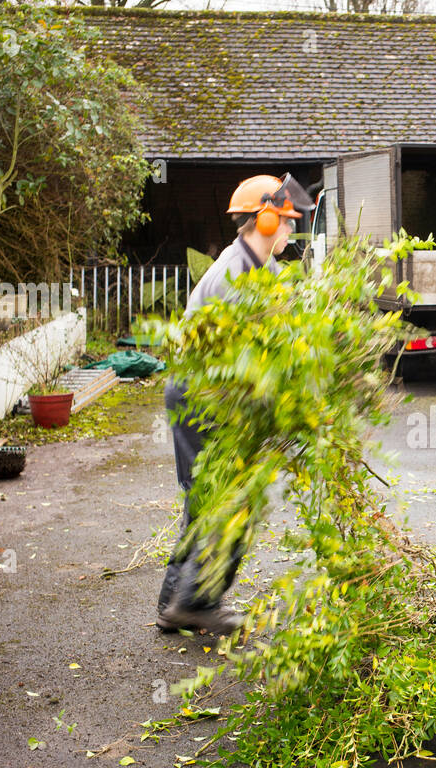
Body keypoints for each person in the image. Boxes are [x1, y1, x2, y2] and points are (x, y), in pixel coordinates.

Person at [156, 173, 315, 634]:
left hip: (218, 394)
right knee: (227, 501)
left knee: (206, 501)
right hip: (201, 396)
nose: (289, 229)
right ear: (264, 220)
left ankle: (175, 603)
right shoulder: (232, 274)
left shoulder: (261, 266)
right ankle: (195, 602)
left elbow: (289, 313)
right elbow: (252, 353)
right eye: (285, 221)